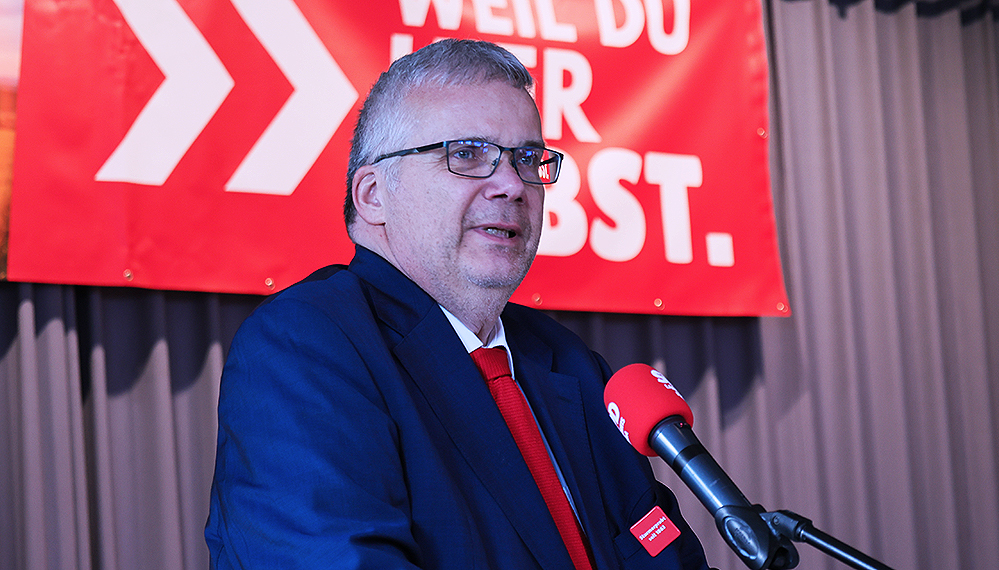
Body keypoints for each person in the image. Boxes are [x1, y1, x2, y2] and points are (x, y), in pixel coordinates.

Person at [205, 38, 710, 570]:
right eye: (467, 154)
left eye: (527, 159)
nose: (512, 185)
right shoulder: (304, 346)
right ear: (373, 195)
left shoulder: (572, 365)